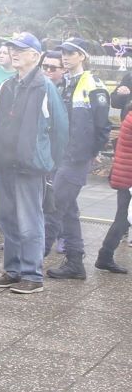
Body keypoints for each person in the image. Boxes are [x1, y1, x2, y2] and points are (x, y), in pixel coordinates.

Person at [0, 32, 68, 294]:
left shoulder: (45, 87)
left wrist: (47, 161)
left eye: (20, 49)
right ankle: (12, 270)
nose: (14, 53)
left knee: (30, 220)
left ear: (36, 55)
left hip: (30, 166)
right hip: (5, 162)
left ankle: (32, 275)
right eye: (12, 48)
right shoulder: (6, 86)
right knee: (7, 218)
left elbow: (60, 129)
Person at [43, 38, 112, 281]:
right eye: (63, 52)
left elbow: (103, 126)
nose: (65, 56)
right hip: (62, 156)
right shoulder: (65, 83)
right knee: (68, 210)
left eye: (71, 52)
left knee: (54, 206)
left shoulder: (92, 83)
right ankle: (75, 262)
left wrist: (88, 153)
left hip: (75, 158)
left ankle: (32, 258)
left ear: (82, 56)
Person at [96, 111, 132, 274]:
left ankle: (105, 256)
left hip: (126, 174)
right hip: (128, 176)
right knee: (123, 218)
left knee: (123, 218)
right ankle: (105, 256)